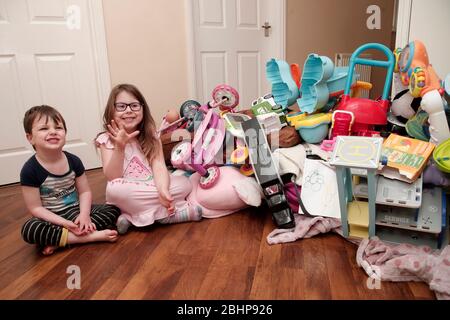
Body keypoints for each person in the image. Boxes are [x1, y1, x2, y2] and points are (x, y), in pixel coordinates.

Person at [95, 84, 202, 234]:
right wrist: (120, 147)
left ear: (143, 109)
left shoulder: (151, 136)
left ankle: (131, 217)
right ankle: (169, 214)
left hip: (150, 185)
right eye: (121, 106)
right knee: (114, 189)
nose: (128, 110)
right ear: (111, 110)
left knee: (185, 183)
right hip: (128, 189)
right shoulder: (105, 139)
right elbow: (113, 177)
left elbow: (158, 166)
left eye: (134, 106)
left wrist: (163, 190)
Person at [20, 105, 121, 255]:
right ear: (30, 137)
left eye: (58, 127)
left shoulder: (74, 161)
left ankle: (61, 239)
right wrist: (64, 224)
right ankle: (87, 237)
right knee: (29, 229)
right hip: (52, 218)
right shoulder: (30, 170)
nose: (53, 132)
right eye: (44, 129)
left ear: (65, 133)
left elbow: (85, 192)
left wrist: (84, 215)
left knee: (114, 209)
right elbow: (36, 208)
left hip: (76, 212)